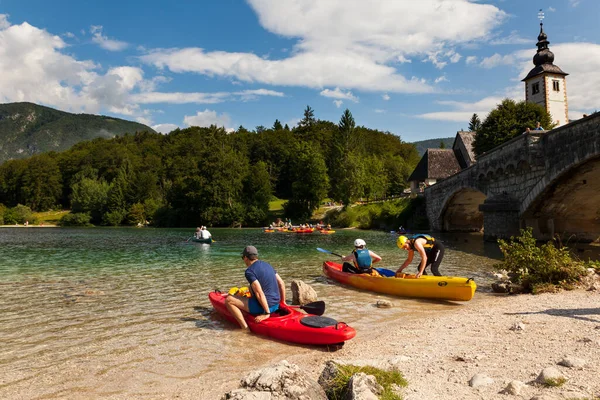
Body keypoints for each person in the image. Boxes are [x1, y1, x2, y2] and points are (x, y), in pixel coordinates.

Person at [225, 246, 286, 330]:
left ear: (246, 257)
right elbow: (281, 283)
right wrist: (283, 301)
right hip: (276, 304)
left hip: (266, 307)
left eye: (242, 257)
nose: (243, 260)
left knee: (229, 300)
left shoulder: (249, 271)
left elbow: (259, 293)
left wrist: (266, 313)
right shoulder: (267, 265)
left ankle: (245, 328)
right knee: (251, 287)